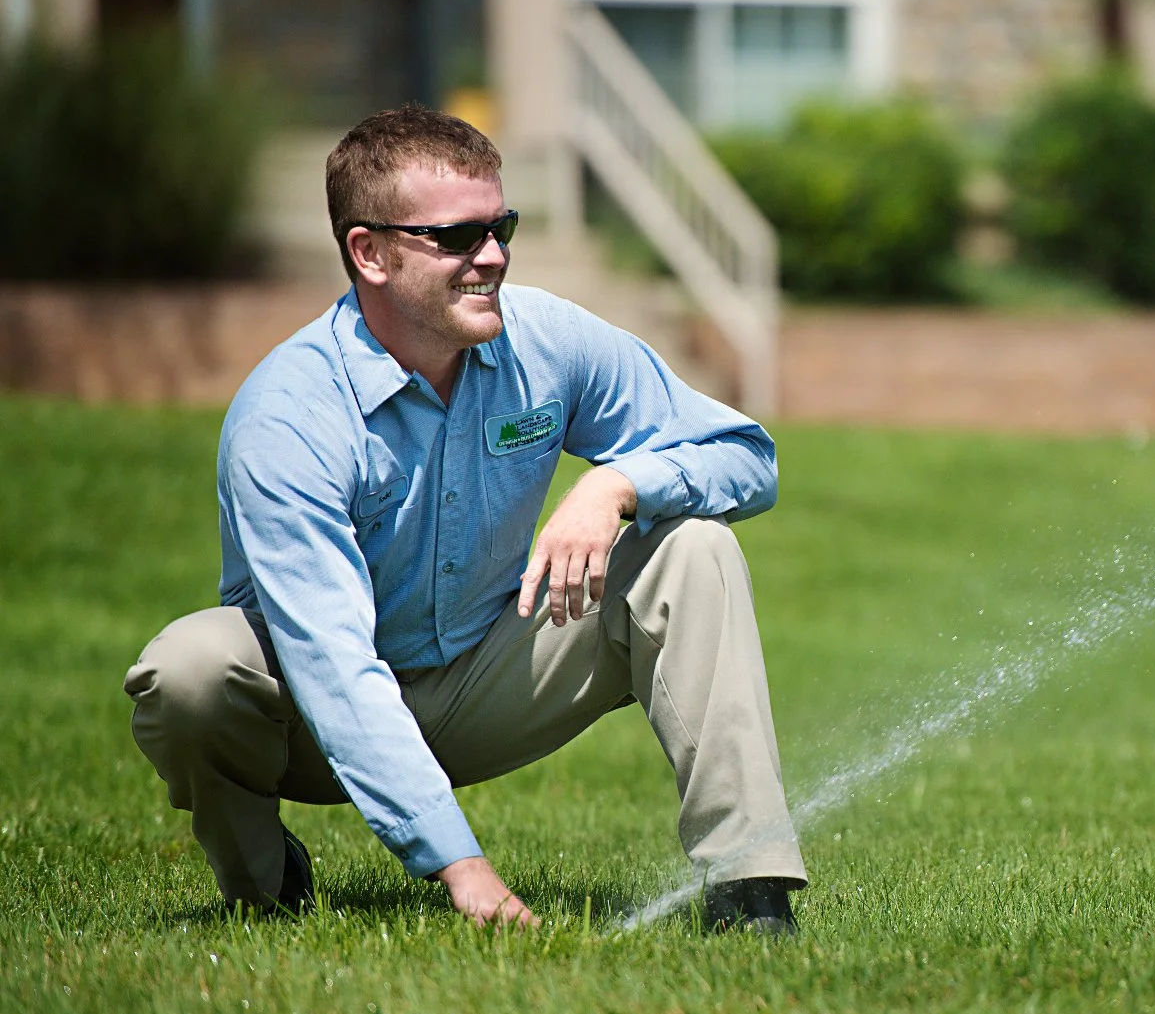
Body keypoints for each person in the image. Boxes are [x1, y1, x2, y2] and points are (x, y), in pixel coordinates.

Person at [122, 105, 806, 934]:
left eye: (501, 226)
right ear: (368, 253)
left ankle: (749, 891)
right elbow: (333, 663)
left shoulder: (549, 340)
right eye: (456, 238)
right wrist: (460, 866)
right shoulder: (288, 416)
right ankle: (267, 888)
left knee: (694, 548)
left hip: (495, 675)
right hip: (309, 716)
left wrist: (616, 485)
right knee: (189, 668)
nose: (493, 258)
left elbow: (746, 455)